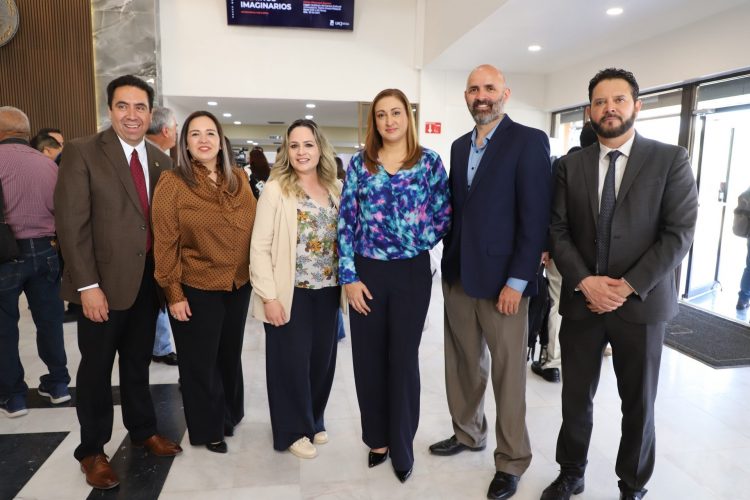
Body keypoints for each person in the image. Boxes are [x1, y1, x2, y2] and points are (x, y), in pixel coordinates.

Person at [541, 68, 698, 500]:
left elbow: (679, 233)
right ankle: (571, 472)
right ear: (589, 111)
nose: (609, 108)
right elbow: (557, 230)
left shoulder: (669, 160)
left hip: (642, 305)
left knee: (638, 402)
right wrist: (585, 282)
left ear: (637, 106)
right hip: (582, 302)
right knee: (575, 397)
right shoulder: (570, 166)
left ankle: (633, 484)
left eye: (618, 99)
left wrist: (626, 286)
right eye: (600, 102)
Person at [55, 75, 183, 490]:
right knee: (95, 370)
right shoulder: (83, 152)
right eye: (123, 106)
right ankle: (92, 450)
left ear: (150, 112)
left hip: (146, 284)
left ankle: (143, 430)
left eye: (140, 107)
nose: (132, 115)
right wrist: (87, 286)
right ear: (110, 109)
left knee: (136, 363)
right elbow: (71, 225)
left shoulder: (160, 160)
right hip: (101, 286)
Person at [430, 64, 552, 500]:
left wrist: (518, 281)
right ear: (466, 96)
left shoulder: (529, 141)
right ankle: (468, 433)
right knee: (463, 363)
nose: (481, 95)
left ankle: (512, 460)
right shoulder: (459, 146)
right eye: (473, 89)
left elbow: (535, 217)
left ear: (505, 93)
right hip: (459, 275)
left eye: (489, 88)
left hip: (505, 283)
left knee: (507, 374)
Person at [338, 88, 451, 483]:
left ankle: (402, 446)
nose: (389, 121)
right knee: (368, 359)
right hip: (366, 273)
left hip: (411, 273)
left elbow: (444, 215)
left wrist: (413, 239)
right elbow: (346, 221)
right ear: (374, 122)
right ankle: (377, 440)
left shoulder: (429, 162)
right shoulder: (360, 164)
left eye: (396, 112)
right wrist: (349, 277)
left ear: (408, 117)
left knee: (403, 361)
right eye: (381, 114)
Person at [152, 110, 256, 454]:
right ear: (185, 143)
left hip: (237, 285)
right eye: (195, 134)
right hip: (196, 286)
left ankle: (229, 415)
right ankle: (209, 429)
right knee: (200, 363)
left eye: (210, 133)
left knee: (229, 355)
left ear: (221, 141)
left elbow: (255, 226)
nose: (203, 140)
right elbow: (165, 242)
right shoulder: (173, 183)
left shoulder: (238, 178)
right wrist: (173, 293)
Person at [250, 118, 342, 459]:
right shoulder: (276, 189)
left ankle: (313, 419)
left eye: (308, 144)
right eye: (294, 145)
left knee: (321, 361)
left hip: (328, 290)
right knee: (289, 363)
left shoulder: (335, 188)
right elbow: (259, 247)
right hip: (290, 292)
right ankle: (291, 429)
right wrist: (269, 297)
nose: (301, 151)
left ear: (320, 148)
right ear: (286, 151)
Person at [0, 107, 71, 418]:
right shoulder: (48, 165)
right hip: (46, 251)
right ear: (26, 132)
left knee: (4, 327)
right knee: (50, 321)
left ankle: (13, 397)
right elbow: (63, 210)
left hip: (4, 254)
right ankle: (58, 384)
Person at [532, 122, 598, 383]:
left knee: (557, 303)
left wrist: (546, 246)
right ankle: (592, 354)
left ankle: (553, 363)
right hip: (600, 255)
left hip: (564, 250)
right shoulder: (617, 166)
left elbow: (549, 209)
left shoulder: (565, 165)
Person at [146, 106, 179, 366]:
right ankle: (159, 347)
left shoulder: (162, 160)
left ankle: (159, 346)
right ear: (166, 130)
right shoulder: (158, 162)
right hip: (150, 248)